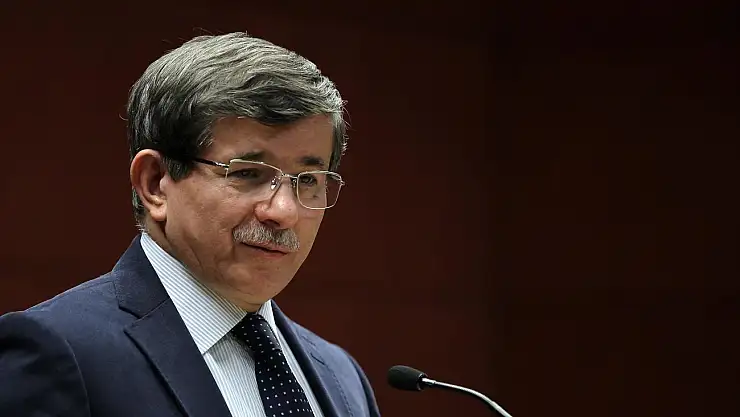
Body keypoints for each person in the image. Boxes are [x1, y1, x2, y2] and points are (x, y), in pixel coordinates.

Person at [0, 32, 380, 417]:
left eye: (308, 180)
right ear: (154, 183)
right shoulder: (61, 353)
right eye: (248, 173)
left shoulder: (342, 377)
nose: (284, 212)